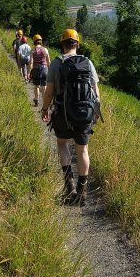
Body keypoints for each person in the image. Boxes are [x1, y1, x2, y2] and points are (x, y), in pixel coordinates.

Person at [41, 29, 99, 205]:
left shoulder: (57, 63)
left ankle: (69, 187)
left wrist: (44, 109)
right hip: (84, 113)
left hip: (62, 113)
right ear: (78, 44)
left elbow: (49, 92)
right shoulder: (88, 62)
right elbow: (96, 92)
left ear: (62, 44)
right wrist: (95, 112)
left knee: (62, 143)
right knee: (82, 151)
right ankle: (81, 194)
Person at [28, 34, 50, 106]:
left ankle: (36, 100)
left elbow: (31, 62)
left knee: (36, 86)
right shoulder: (45, 50)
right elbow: (48, 61)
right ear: (41, 41)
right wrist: (49, 70)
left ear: (34, 41)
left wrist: (28, 72)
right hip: (44, 69)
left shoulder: (32, 50)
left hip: (36, 69)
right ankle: (45, 104)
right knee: (44, 87)